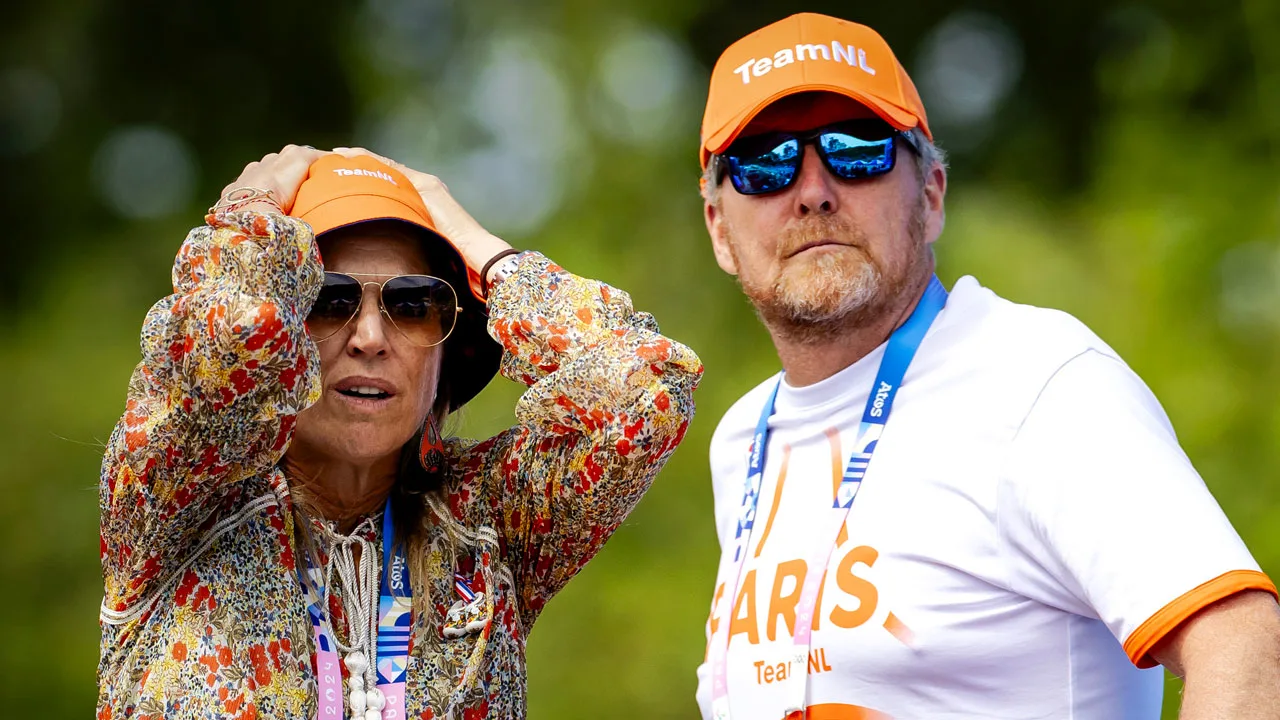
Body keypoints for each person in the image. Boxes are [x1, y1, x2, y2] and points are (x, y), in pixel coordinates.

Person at [693, 13, 1280, 720]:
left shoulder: (1039, 379)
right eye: (764, 163)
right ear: (720, 230)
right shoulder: (741, 440)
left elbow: (1246, 647)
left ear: (932, 194)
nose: (813, 189)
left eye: (857, 151)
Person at [97, 145, 702, 719]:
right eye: (326, 300)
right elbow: (231, 336)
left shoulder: (489, 519)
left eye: (412, 305)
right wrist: (250, 210)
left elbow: (648, 390)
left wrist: (478, 249)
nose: (369, 338)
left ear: (449, 351)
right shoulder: (176, 502)